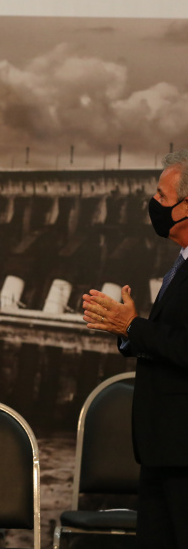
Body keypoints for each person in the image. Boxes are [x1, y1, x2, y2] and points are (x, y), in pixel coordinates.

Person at [82, 149, 188, 549]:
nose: (154, 205)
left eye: (161, 197)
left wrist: (132, 326)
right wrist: (129, 330)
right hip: (163, 448)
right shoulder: (181, 261)